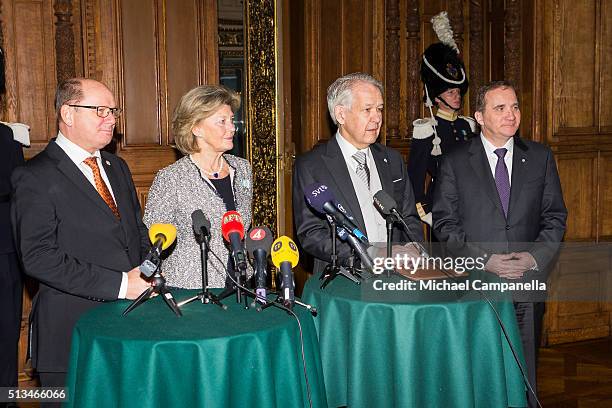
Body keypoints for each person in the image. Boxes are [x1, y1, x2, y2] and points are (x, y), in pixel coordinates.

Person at [432, 80, 567, 407]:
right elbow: (444, 224)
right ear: (479, 116)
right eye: (500, 108)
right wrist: (484, 261)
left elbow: (555, 217)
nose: (511, 114)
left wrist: (533, 259)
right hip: (477, 285)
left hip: (527, 283)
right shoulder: (455, 161)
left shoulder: (540, 157)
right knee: (478, 372)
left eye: (515, 106)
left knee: (524, 374)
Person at [11, 78, 151, 390]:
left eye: (113, 111)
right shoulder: (35, 176)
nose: (111, 119)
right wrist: (119, 284)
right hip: (71, 333)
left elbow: (136, 231)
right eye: (100, 110)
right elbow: (39, 258)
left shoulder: (118, 167)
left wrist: (145, 274)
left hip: (129, 324)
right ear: (68, 114)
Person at [293, 72, 423, 276]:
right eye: (367, 109)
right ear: (341, 114)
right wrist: (369, 255)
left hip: (398, 276)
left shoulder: (393, 159)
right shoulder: (311, 165)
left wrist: (413, 249)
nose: (377, 118)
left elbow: (409, 218)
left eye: (379, 109)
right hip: (345, 279)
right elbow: (312, 234)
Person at [143, 85, 252, 289]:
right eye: (222, 122)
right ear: (196, 128)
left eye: (231, 120)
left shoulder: (243, 169)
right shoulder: (170, 178)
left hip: (240, 282)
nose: (232, 127)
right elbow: (153, 237)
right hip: (190, 288)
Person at [408, 11, 476, 227]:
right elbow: (415, 175)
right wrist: (424, 209)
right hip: (441, 207)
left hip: (472, 204)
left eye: (458, 92)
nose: (456, 97)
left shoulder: (468, 124)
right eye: (449, 93)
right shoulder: (427, 129)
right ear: (436, 98)